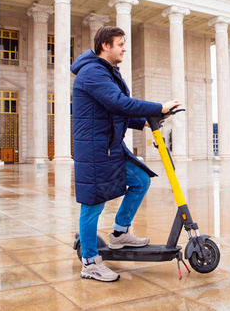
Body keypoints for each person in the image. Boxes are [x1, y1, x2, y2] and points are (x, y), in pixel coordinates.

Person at [71, 26, 181, 282]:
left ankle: (120, 233)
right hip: (95, 149)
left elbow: (113, 111)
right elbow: (118, 103)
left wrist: (142, 121)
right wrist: (158, 107)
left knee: (140, 180)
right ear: (105, 46)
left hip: (109, 145)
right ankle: (89, 262)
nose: (124, 48)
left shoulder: (106, 72)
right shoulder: (93, 72)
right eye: (120, 43)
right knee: (93, 203)